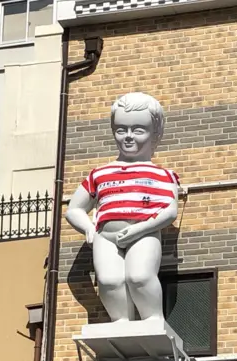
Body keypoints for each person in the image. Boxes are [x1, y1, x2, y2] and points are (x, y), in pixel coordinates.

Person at [65, 92, 180, 323]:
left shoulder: (162, 174)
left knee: (140, 276)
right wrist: (88, 227)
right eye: (121, 129)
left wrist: (139, 230)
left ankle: (153, 319)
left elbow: (170, 210)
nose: (128, 137)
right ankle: (120, 322)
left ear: (155, 133)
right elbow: (74, 208)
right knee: (109, 281)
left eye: (138, 130)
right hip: (105, 236)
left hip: (144, 232)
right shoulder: (100, 173)